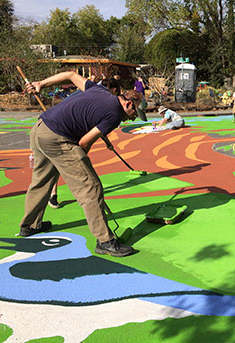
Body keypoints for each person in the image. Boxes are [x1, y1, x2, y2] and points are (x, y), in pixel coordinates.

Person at [18, 71, 143, 257]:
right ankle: (105, 241)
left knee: (42, 180)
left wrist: (41, 83)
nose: (133, 118)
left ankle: (29, 226)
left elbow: (70, 74)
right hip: (57, 138)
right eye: (135, 114)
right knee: (90, 187)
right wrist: (79, 162)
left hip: (40, 130)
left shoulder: (100, 90)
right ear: (128, 104)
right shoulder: (115, 115)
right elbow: (84, 143)